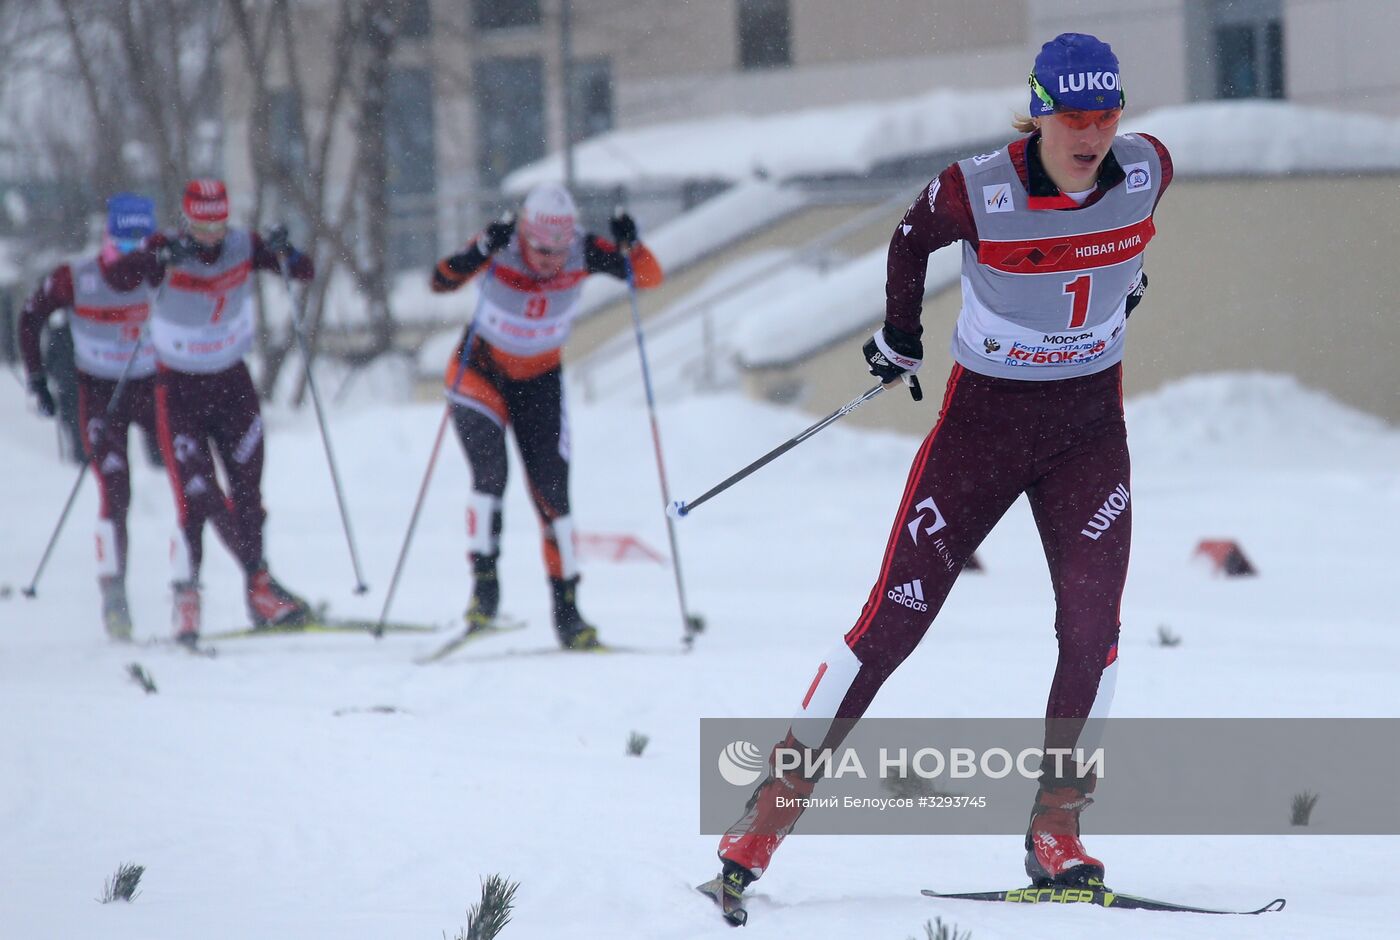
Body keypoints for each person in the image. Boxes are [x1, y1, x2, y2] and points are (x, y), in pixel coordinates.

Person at [700, 33, 1172, 923]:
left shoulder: (1149, 168)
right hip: (982, 432)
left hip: (1086, 433)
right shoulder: (979, 188)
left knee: (1093, 622)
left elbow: (1126, 242)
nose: (1093, 135)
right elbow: (910, 238)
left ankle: (1056, 831)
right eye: (1075, 117)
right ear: (1038, 111)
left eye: (1107, 116)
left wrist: (1126, 284)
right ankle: (761, 825)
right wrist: (900, 335)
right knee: (893, 624)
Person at [430, 183, 664, 649]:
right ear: (524, 233)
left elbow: (648, 278)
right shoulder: (500, 243)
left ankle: (568, 611)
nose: (550, 260)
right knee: (490, 476)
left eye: (559, 250)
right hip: (481, 373)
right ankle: (484, 592)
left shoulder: (584, 250)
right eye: (540, 249)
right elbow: (441, 280)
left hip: (539, 381)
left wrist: (632, 244)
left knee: (554, 494)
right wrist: (480, 249)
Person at [107, 178, 316, 645]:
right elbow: (118, 277)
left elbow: (304, 271)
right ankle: (190, 596)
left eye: (218, 222)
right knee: (196, 495)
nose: (211, 235)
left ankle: (258, 596)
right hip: (178, 389)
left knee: (248, 495)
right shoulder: (165, 246)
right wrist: (153, 260)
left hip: (232, 385)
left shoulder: (242, 244)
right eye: (202, 224)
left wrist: (286, 250)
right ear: (187, 219)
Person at [19, 193, 161, 639]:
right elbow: (29, 316)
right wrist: (38, 378)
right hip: (101, 392)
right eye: (122, 243)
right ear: (107, 235)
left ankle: (195, 588)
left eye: (140, 243)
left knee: (187, 488)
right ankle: (113, 596)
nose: (130, 255)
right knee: (115, 491)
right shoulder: (76, 276)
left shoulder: (164, 264)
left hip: (153, 385)